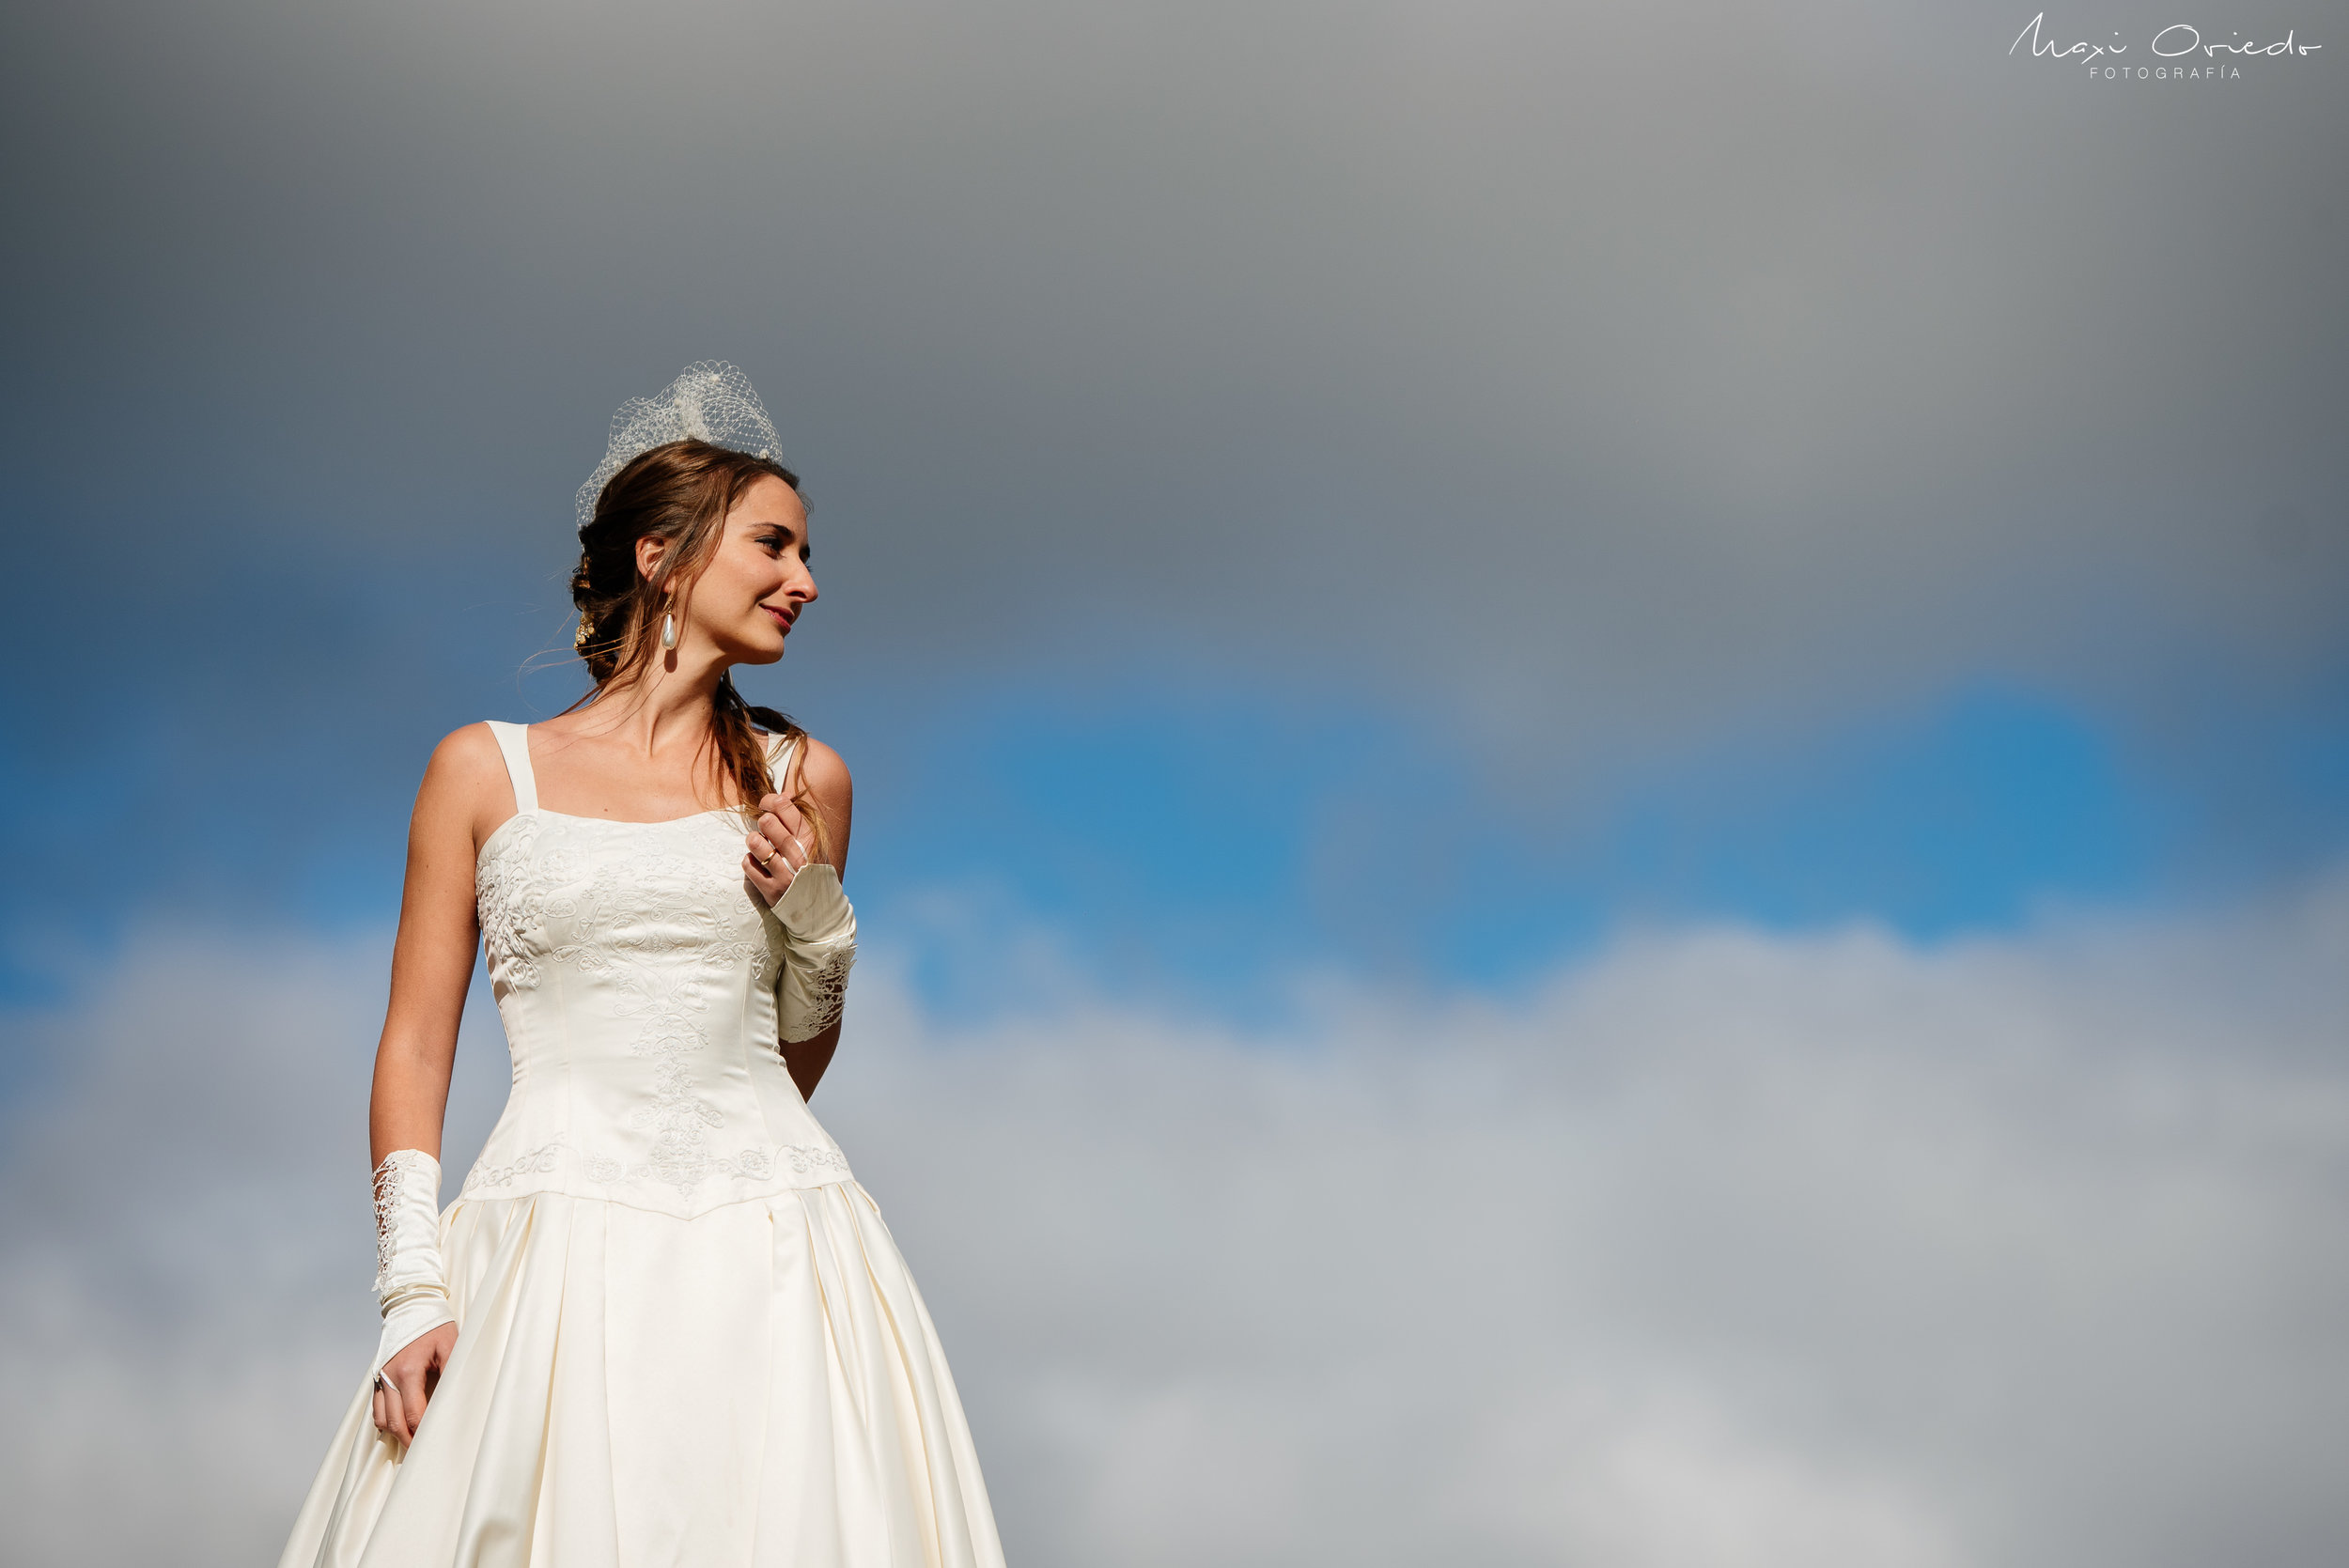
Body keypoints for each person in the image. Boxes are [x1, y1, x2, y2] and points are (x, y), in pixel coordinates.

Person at [279, 363, 1005, 1567]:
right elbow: (414, 1042)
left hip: (774, 1246)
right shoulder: (480, 770)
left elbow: (789, 1059)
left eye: (807, 555)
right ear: (662, 555)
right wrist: (413, 1288)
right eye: (774, 544)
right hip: (547, 1245)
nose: (806, 581)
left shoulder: (804, 778)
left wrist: (814, 926)